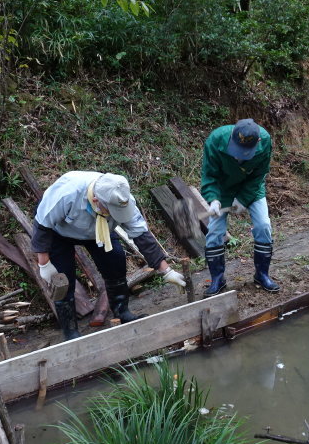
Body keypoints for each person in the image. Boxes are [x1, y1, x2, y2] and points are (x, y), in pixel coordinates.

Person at [31, 171, 186, 340]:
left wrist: (167, 271)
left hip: (101, 229)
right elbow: (42, 228)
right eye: (112, 210)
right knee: (62, 279)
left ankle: (122, 312)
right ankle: (70, 332)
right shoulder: (67, 193)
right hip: (58, 233)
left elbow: (142, 236)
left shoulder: (122, 199)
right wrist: (44, 265)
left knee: (116, 261)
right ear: (96, 200)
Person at [201, 118, 279, 297]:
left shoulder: (265, 140)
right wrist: (213, 199)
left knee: (263, 225)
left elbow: (259, 174)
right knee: (214, 232)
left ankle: (262, 275)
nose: (238, 156)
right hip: (222, 189)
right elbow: (209, 174)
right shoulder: (215, 139)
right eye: (236, 151)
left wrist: (243, 199)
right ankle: (217, 280)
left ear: (257, 142)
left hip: (251, 187)